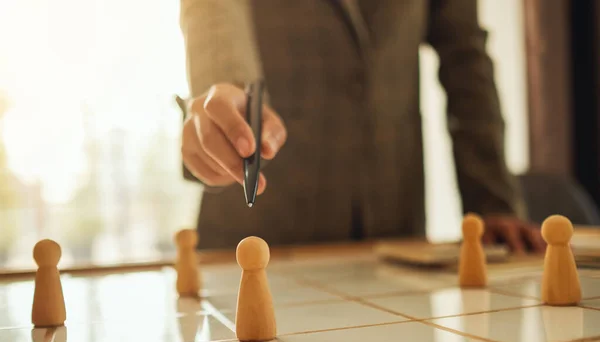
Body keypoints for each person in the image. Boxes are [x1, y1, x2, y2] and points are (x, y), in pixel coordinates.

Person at [178, 0, 545, 252]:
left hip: (394, 230)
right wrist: (227, 91)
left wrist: (492, 199)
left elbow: (465, 55)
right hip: (259, 233)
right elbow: (215, 12)